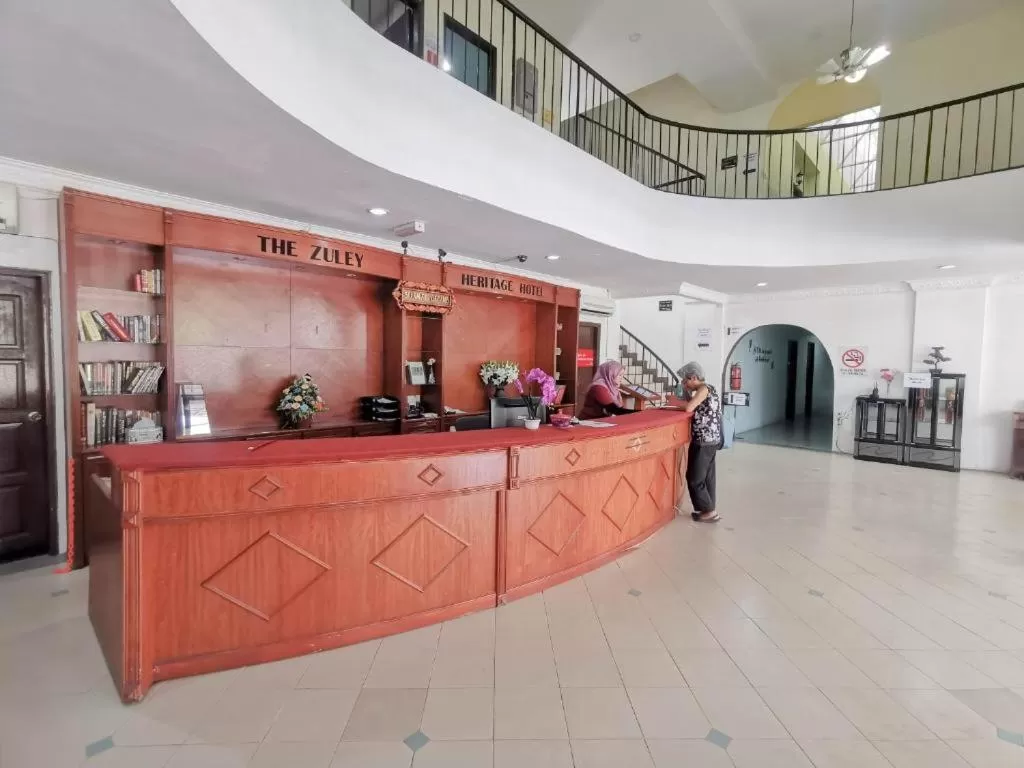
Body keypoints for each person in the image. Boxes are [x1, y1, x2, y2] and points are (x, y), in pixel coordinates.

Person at [677, 361, 722, 523]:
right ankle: (710, 509)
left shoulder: (703, 390)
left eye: (685, 380)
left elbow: (689, 408)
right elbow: (694, 406)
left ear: (694, 377)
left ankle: (708, 511)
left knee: (694, 477)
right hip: (711, 439)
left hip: (704, 440)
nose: (684, 383)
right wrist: (685, 392)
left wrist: (674, 401)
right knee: (707, 477)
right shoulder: (709, 388)